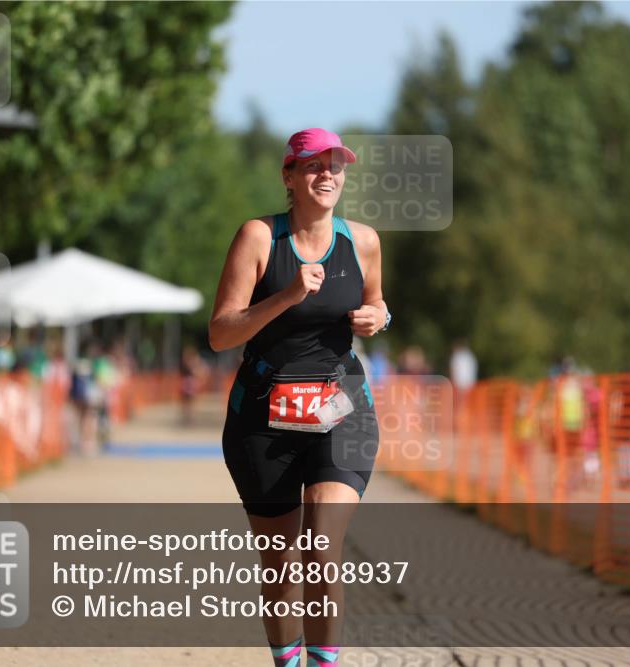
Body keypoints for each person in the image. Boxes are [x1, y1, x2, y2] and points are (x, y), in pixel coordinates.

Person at [209, 128, 389, 667]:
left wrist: (380, 316)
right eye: (313, 165)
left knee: (321, 550)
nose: (327, 174)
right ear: (289, 176)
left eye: (336, 165)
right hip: (263, 418)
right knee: (281, 567)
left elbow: (378, 301)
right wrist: (287, 296)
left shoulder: (363, 241)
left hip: (341, 408)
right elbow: (220, 332)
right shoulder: (260, 238)